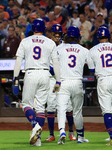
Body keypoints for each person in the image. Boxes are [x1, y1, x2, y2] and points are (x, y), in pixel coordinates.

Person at [12, 18, 61, 147]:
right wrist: (58, 80)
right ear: (44, 29)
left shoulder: (25, 41)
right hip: (45, 74)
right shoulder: (50, 42)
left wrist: (15, 78)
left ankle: (35, 126)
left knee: (26, 104)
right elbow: (55, 63)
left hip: (31, 73)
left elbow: (18, 61)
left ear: (32, 28)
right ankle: (37, 139)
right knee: (40, 108)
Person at [87, 26, 112, 146]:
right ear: (109, 36)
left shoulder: (92, 50)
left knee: (107, 111)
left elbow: (91, 69)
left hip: (103, 80)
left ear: (98, 37)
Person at [56, 26, 89, 145]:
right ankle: (80, 137)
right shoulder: (83, 49)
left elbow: (51, 67)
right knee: (77, 111)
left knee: (61, 109)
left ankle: (62, 132)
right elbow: (91, 67)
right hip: (77, 81)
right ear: (78, 37)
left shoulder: (59, 48)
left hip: (63, 81)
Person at [44, 24, 76, 142]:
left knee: (68, 107)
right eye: (55, 34)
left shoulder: (65, 47)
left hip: (63, 79)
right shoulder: (47, 46)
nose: (57, 36)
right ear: (51, 34)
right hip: (51, 79)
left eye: (59, 34)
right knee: (51, 107)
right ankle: (51, 134)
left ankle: (71, 132)